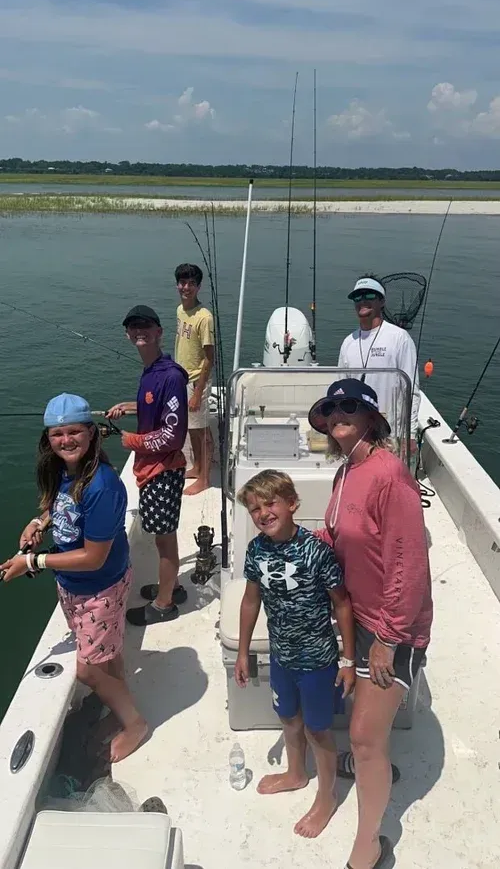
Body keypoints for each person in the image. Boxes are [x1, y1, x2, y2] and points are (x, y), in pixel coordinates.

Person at [308, 378, 433, 869]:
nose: (338, 413)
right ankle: (369, 762)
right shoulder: (346, 472)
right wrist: (292, 535)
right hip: (357, 616)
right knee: (363, 724)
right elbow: (340, 533)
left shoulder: (388, 474)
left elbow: (408, 562)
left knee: (361, 734)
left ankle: (372, 842)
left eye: (349, 406)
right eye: (330, 407)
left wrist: (388, 637)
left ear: (370, 418)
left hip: (391, 627)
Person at [0, 393, 147, 763]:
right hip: (74, 585)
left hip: (100, 587)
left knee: (88, 671)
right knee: (107, 657)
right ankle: (119, 709)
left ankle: (134, 725)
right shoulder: (67, 471)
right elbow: (58, 503)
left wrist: (32, 562)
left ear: (92, 434)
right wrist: (38, 523)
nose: (66, 440)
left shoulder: (103, 485)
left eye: (74, 432)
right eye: (57, 434)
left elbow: (95, 557)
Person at [234, 469, 356, 839]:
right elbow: (250, 600)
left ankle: (326, 797)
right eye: (254, 508)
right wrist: (242, 652)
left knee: (318, 730)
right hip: (281, 657)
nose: (263, 513)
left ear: (292, 504)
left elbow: (343, 605)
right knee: (288, 719)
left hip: (317, 662)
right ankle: (296, 773)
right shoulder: (256, 549)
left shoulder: (317, 551)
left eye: (270, 503)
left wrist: (348, 660)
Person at [107, 304, 189, 627]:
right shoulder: (153, 370)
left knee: (165, 539)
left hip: (163, 471)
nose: (139, 330)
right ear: (128, 334)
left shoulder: (169, 376)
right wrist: (131, 406)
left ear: (159, 332)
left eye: (145, 326)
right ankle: (175, 585)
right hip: (154, 470)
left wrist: (131, 441)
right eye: (133, 326)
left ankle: (164, 603)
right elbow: (153, 407)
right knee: (162, 537)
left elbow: (172, 435)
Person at [338, 275, 420, 454]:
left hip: (390, 434)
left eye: (369, 296)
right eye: (357, 297)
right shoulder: (348, 342)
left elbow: (411, 389)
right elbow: (341, 391)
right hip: (357, 432)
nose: (362, 301)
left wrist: (410, 433)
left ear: (381, 301)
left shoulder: (399, 338)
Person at [174, 263, 215, 496]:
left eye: (191, 283)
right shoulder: (180, 310)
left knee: (202, 431)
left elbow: (210, 357)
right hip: (181, 378)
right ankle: (197, 467)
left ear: (198, 287)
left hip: (197, 381)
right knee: (191, 427)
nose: (186, 287)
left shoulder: (204, 317)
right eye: (182, 282)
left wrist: (198, 392)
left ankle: (205, 479)